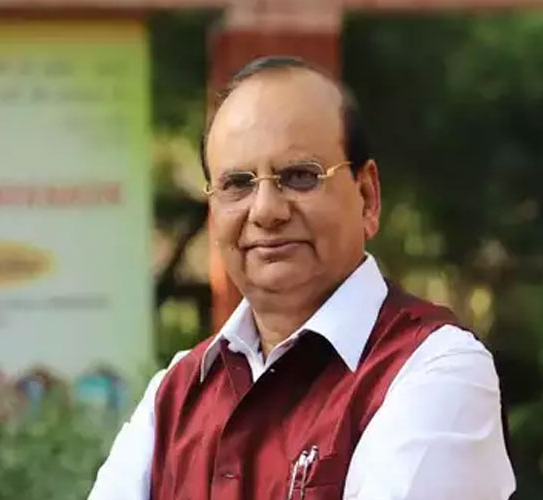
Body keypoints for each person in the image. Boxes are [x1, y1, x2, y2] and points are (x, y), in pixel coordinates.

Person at [88, 56, 515, 500]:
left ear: (367, 197)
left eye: (299, 177)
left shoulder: (436, 370)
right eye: (238, 183)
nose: (266, 211)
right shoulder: (175, 395)